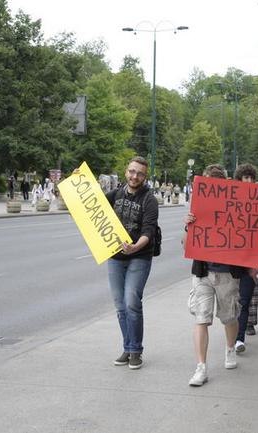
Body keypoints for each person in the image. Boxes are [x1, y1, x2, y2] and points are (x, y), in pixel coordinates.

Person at [183, 164, 258, 386]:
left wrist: (251, 266)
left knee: (229, 317)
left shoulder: (236, 207)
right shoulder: (196, 207)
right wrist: (188, 227)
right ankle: (201, 367)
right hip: (203, 272)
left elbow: (248, 237)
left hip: (227, 273)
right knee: (201, 318)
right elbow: (186, 245)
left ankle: (229, 348)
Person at [104, 156, 159, 370]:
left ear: (145, 177)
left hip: (139, 256)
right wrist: (76, 184)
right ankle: (127, 347)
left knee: (131, 302)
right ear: (126, 171)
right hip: (115, 257)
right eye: (132, 171)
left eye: (140, 173)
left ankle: (136, 350)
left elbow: (149, 231)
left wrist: (136, 246)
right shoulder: (116, 194)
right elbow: (92, 207)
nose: (135, 176)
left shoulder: (149, 200)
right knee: (120, 306)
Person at [233, 163, 258, 354]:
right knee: (231, 303)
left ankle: (239, 338)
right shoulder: (231, 200)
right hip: (231, 261)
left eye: (252, 177)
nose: (249, 181)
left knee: (244, 301)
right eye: (246, 177)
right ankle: (233, 333)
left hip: (250, 260)